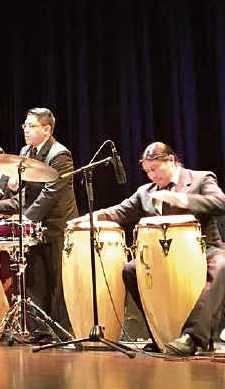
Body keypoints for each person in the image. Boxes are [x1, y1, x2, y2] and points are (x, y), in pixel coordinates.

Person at [69, 141, 225, 356]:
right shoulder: (146, 192)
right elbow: (119, 212)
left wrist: (180, 199)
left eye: (155, 169)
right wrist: (88, 218)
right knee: (131, 270)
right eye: (147, 171)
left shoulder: (200, 178)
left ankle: (192, 337)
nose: (151, 176)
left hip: (203, 248)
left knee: (221, 266)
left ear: (170, 160)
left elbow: (219, 202)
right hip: (160, 256)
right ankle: (159, 333)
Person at [0, 108, 78, 334]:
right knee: (34, 280)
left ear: (47, 129)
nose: (25, 130)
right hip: (36, 226)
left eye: (31, 126)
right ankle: (38, 331)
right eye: (24, 125)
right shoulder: (26, 150)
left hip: (57, 225)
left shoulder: (60, 154)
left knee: (57, 284)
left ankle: (63, 332)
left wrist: (24, 219)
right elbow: (28, 194)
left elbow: (50, 194)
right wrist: (2, 205)